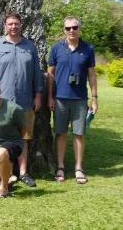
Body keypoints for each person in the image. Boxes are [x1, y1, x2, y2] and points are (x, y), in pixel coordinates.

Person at [0, 12, 43, 187]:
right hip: (2, 102)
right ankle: (8, 174)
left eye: (16, 23)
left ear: (21, 25)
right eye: (10, 24)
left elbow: (36, 73)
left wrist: (38, 95)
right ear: (5, 25)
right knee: (5, 138)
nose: (14, 27)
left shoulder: (30, 47)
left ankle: (24, 172)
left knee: (24, 137)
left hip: (25, 100)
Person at [47, 16, 98, 184]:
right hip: (60, 98)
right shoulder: (56, 48)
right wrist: (49, 96)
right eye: (68, 28)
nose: (71, 31)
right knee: (60, 133)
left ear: (79, 28)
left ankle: (78, 168)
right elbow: (51, 74)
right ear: (64, 30)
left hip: (80, 99)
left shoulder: (88, 48)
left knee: (79, 134)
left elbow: (91, 75)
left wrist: (95, 98)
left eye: (74, 27)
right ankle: (60, 167)